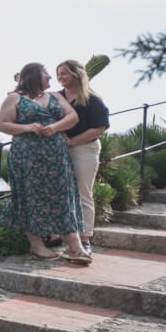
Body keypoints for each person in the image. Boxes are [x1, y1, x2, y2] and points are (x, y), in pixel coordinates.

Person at [0, 62, 91, 263]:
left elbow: (73, 117)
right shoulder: (14, 98)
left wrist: (55, 127)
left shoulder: (55, 96)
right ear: (34, 76)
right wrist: (27, 127)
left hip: (56, 155)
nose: (50, 77)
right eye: (46, 73)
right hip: (27, 157)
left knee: (63, 195)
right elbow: (3, 125)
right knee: (30, 196)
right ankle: (36, 245)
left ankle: (75, 245)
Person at [56, 59, 109, 255]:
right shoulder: (57, 97)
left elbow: (99, 128)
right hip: (60, 150)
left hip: (85, 149)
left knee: (83, 193)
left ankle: (85, 238)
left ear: (76, 74)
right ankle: (61, 235)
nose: (60, 77)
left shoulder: (92, 99)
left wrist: (73, 141)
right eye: (58, 74)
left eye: (64, 73)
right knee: (60, 192)